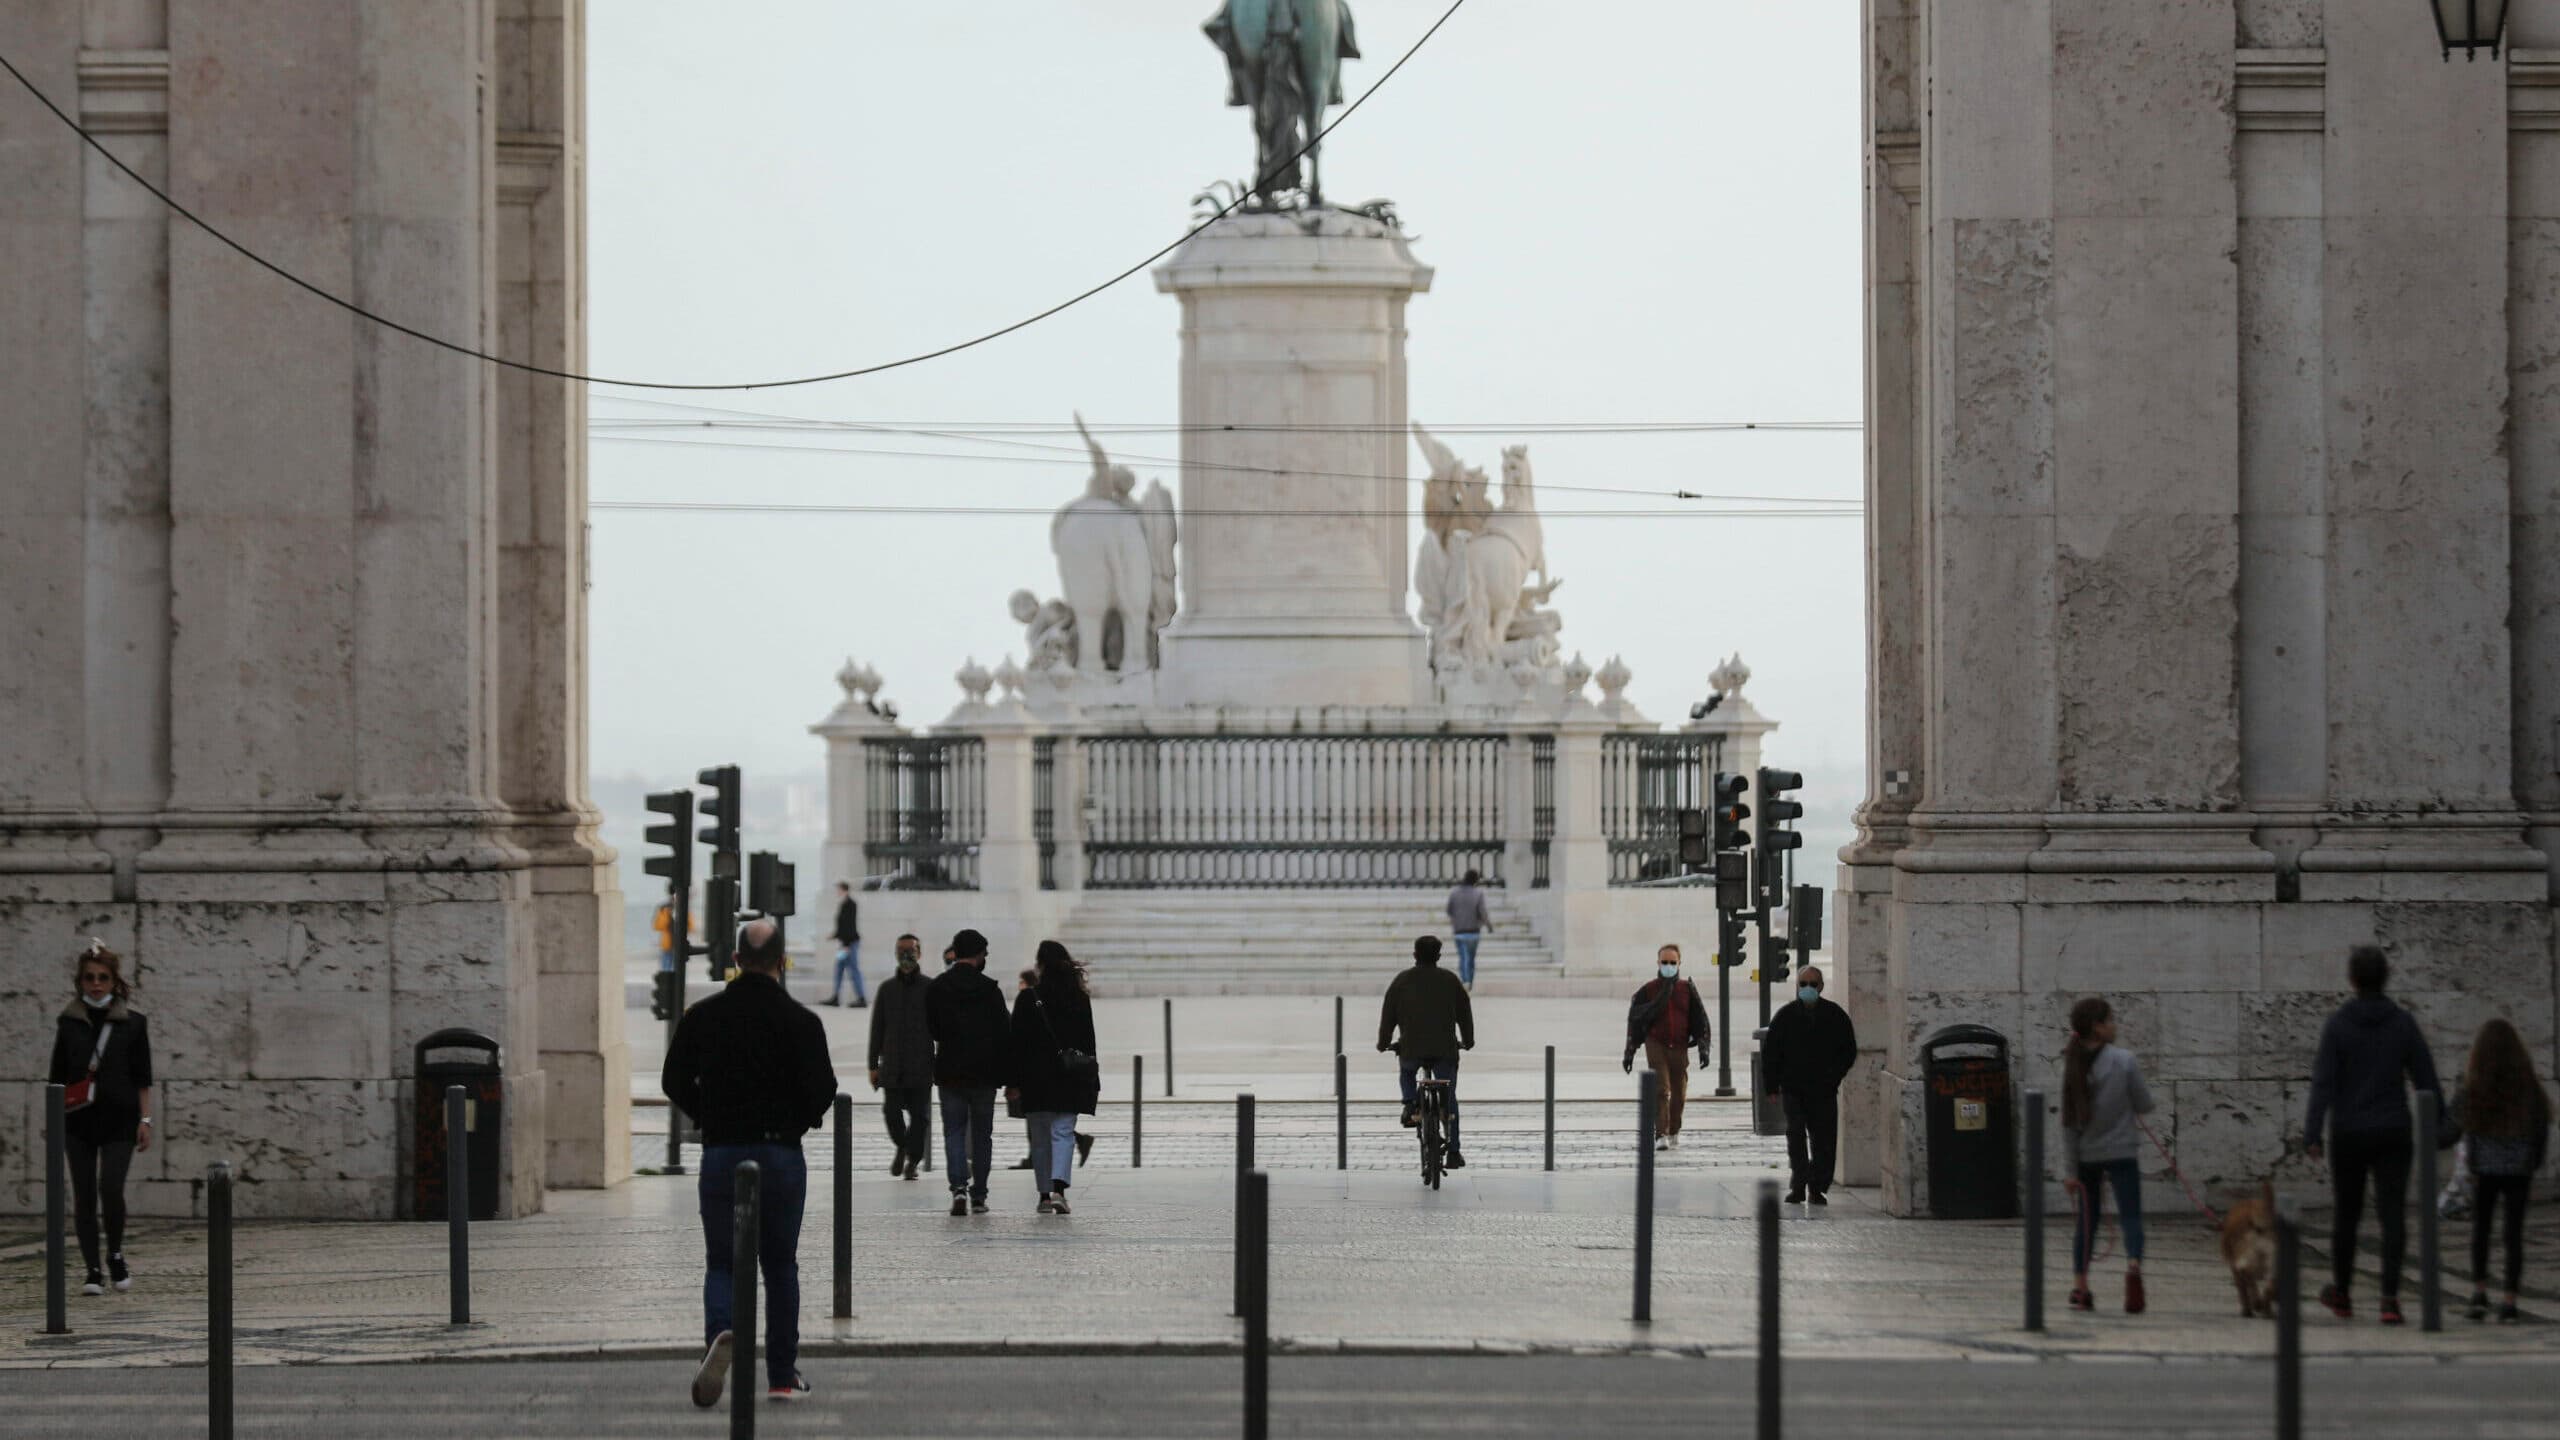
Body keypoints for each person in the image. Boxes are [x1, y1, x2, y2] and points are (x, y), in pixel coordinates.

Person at [661, 919, 837, 1407]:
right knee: (780, 1265)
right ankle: (782, 1376)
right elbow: (822, 1091)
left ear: (736, 961)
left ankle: (721, 1333)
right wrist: (795, 1122)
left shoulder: (704, 1016)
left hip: (722, 1154)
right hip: (780, 1154)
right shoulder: (803, 1021)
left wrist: (709, 1115)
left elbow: (673, 1079)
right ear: (783, 962)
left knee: (722, 1261)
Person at [2304, 944, 2441, 1326]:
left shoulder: (2337, 1025)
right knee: (2392, 1214)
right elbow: (2426, 1079)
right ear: (2386, 978)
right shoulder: (2402, 1023)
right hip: (2393, 1129)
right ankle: (2390, 1299)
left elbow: (2323, 1083)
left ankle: (2343, 1293)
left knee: (2346, 1215)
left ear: (2352, 980)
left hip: (2349, 1131)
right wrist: (2440, 1125)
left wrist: (2313, 1132)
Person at [47, 940, 154, 1297]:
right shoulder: (69, 1023)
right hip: (78, 1120)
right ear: (80, 981)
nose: (96, 984)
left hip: (120, 1119)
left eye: (103, 978)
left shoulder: (134, 1024)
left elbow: (143, 1077)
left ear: (113, 981)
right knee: (84, 1195)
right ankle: (92, 1269)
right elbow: (57, 1076)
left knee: (111, 1187)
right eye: (90, 978)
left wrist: (146, 1120)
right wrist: (54, 1119)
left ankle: (116, 1254)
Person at [2058, 996, 2154, 1314]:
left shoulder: (2073, 1065)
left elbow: (2069, 1124)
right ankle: (2134, 1269)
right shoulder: (2124, 1061)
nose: (2115, 1026)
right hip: (2123, 1149)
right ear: (2098, 1027)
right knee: (2131, 1216)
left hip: (2087, 1155)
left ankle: (2081, 1287)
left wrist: (2070, 1171)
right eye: (2110, 1020)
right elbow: (2144, 1103)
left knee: (2088, 1222)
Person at [2452, 1017, 2551, 1324]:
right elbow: (2541, 1125)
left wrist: (2472, 1161)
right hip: (2519, 1168)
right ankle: (2509, 1300)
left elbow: (2464, 1123)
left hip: (2485, 1168)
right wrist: (2534, 1161)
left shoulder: (2476, 1083)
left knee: (2481, 1231)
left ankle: (2479, 1293)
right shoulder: (2527, 1085)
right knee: (2513, 1234)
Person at [1007, 941, 1102, 1214]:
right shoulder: (1078, 998)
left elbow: (1016, 1043)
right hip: (1069, 1077)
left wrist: (1013, 1082)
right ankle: (1060, 1189)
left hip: (1035, 1079)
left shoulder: (1028, 998)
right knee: (1062, 1133)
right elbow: (1089, 1041)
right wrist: (1091, 1077)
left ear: (1041, 966)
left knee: (1040, 1137)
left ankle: (1044, 1196)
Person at [926, 928, 1011, 1216]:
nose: (985, 958)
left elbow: (932, 1028)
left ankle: (959, 1187)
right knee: (982, 1135)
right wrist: (1008, 1076)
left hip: (950, 1070)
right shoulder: (990, 989)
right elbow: (1004, 1034)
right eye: (984, 953)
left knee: (953, 1131)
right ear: (977, 954)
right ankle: (980, 1195)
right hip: (984, 1074)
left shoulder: (938, 987)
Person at [1378, 935, 1475, 1168]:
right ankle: (1453, 1152)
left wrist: (1384, 1043)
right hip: (1445, 1050)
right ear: (1439, 956)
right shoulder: (1450, 980)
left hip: (1411, 1048)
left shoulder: (1401, 981)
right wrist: (1468, 1041)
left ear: (1414, 955)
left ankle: (1410, 1104)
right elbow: (1465, 1013)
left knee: (1407, 1071)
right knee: (1449, 1099)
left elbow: (1388, 1014)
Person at [1763, 965, 1857, 1202]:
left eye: (1812, 984)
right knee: (1795, 1136)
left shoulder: (1835, 1016)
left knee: (1824, 1140)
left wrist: (1833, 1077)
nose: (1807, 988)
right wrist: (1772, 1086)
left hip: (1823, 1090)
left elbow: (1848, 1051)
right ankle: (1799, 1184)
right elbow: (1772, 1052)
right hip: (1793, 1089)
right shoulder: (1785, 1016)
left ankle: (1818, 1186)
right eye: (1803, 984)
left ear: (1821, 987)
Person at [1620, 945, 1712, 1153]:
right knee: (1661, 1089)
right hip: (1656, 1043)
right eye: (1665, 962)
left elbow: (1699, 1020)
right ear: (1658, 963)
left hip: (1679, 1045)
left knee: (1679, 1093)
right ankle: (1660, 1133)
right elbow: (1635, 1020)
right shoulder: (1648, 990)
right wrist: (1630, 1052)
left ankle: (1673, 1130)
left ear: (1679, 963)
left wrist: (1703, 1048)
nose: (1668, 966)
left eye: (1672, 962)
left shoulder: (1686, 990)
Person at [866, 933, 934, 1180]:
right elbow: (877, 1028)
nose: (906, 955)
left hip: (921, 1064)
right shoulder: (887, 989)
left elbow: (940, 1027)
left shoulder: (929, 987)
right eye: (901, 950)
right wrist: (873, 1065)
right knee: (891, 1113)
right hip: (892, 1065)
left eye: (911, 950)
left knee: (920, 1118)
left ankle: (912, 1161)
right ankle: (902, 1146)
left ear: (919, 953)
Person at [1445, 870, 1491, 989]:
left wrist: (1457, 919)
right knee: (1470, 958)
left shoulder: (1454, 893)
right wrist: (1488, 925)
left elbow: (1449, 910)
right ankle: (1469, 980)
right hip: (1473, 931)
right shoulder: (1478, 894)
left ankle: (1465, 979)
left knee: (1463, 956)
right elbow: (1483, 912)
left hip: (1459, 931)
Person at [824, 881, 866, 1008]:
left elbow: (850, 926)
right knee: (839, 969)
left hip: (849, 944)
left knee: (853, 970)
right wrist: (834, 935)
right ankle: (836, 997)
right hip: (845, 943)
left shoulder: (850, 904)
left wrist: (846, 944)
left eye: (838, 889)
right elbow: (843, 926)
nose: (837, 892)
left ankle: (861, 998)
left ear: (844, 890)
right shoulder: (844, 904)